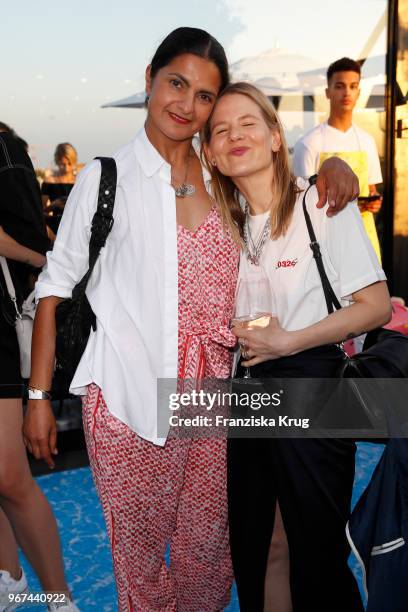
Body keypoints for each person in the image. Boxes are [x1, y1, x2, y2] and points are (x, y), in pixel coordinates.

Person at [23, 28, 359, 611]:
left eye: (205, 95)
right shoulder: (106, 179)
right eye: (176, 83)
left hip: (220, 397)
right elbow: (53, 288)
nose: (188, 104)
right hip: (131, 397)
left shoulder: (219, 172)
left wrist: (332, 163)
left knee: (213, 561)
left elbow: (282, 187)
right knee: (143, 567)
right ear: (149, 79)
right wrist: (36, 398)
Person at [202, 81, 391, 612]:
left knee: (315, 549)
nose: (235, 135)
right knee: (260, 544)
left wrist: (290, 341)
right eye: (221, 131)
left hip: (312, 384)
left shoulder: (322, 203)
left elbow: (375, 307)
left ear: (276, 136)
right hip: (248, 391)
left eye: (248, 123)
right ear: (212, 156)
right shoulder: (225, 226)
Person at [0, 126, 78, 611]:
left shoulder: (5, 149)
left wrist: (43, 261)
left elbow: (20, 231)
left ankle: (58, 599)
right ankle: (8, 578)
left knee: (8, 476)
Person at [293, 57, 383, 262]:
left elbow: (372, 191)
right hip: (326, 242)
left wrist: (374, 203)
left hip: (364, 238)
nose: (347, 93)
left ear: (359, 92)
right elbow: (301, 203)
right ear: (328, 92)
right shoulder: (309, 143)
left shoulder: (367, 142)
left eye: (353, 86)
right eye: (340, 86)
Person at [41, 143, 79, 237]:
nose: (66, 168)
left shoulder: (79, 181)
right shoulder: (49, 181)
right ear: (57, 161)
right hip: (55, 227)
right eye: (63, 164)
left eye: (69, 164)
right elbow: (41, 212)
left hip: (75, 227)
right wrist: (55, 205)